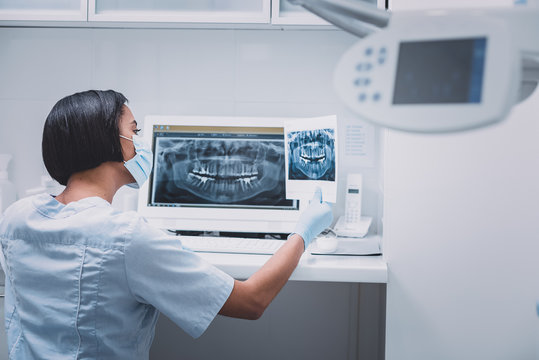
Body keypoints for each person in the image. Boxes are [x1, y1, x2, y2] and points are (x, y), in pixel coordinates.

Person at [0, 90, 333, 359]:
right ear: (108, 141)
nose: (141, 143)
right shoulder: (125, 237)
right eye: (134, 131)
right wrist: (302, 233)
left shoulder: (15, 217)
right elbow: (251, 301)